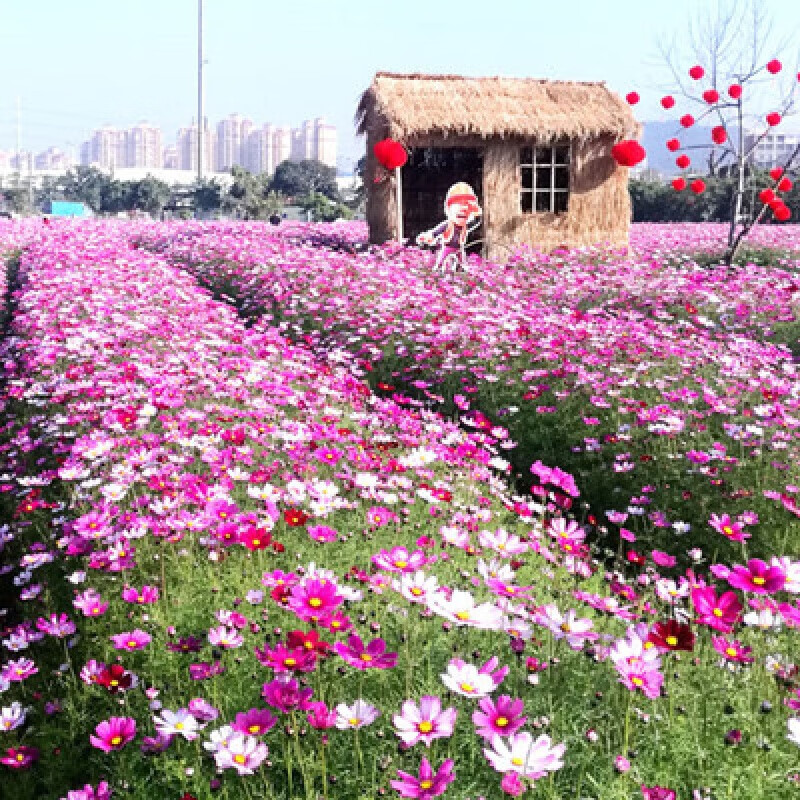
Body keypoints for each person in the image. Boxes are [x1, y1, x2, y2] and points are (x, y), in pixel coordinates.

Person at [416, 182, 482, 271]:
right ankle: (438, 272)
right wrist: (427, 236)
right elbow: (436, 232)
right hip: (448, 247)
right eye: (459, 205)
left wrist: (476, 210)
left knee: (462, 263)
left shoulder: (465, 226)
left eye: (467, 206)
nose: (463, 209)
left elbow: (477, 221)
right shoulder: (447, 224)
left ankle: (461, 272)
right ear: (449, 209)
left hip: (459, 248)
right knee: (441, 262)